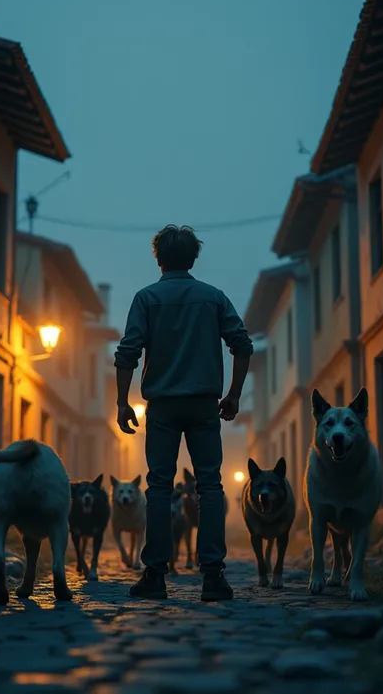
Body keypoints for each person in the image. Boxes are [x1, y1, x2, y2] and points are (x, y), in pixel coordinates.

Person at [114, 225, 253, 601]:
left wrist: (123, 401)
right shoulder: (213, 297)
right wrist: (234, 394)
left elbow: (128, 352)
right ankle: (213, 577)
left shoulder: (146, 299)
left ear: (157, 259)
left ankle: (155, 575)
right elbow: (242, 344)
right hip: (204, 405)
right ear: (194, 258)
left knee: (158, 489)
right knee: (209, 487)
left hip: (161, 406)